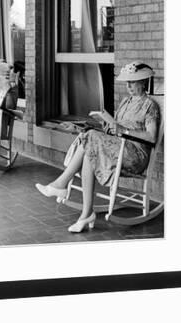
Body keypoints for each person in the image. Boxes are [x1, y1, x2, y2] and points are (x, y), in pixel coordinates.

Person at [35, 61, 160, 233]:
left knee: (90, 139)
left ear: (142, 82)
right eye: (127, 82)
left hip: (135, 154)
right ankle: (86, 214)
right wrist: (103, 125)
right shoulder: (126, 102)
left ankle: (61, 184)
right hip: (117, 147)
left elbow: (151, 136)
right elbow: (114, 129)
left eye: (132, 81)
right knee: (88, 151)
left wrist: (124, 130)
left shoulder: (149, 105)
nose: (129, 85)